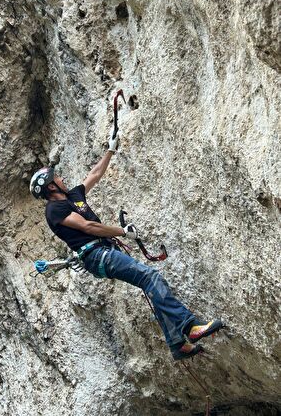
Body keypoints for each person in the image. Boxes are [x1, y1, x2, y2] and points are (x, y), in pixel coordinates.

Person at [29, 131, 223, 360]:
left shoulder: (73, 196)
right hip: (96, 255)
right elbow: (89, 227)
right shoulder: (54, 211)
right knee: (150, 278)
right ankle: (189, 327)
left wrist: (110, 150)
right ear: (51, 187)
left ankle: (177, 344)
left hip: (104, 252)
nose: (61, 178)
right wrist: (123, 232)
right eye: (56, 177)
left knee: (150, 283)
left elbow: (94, 174)